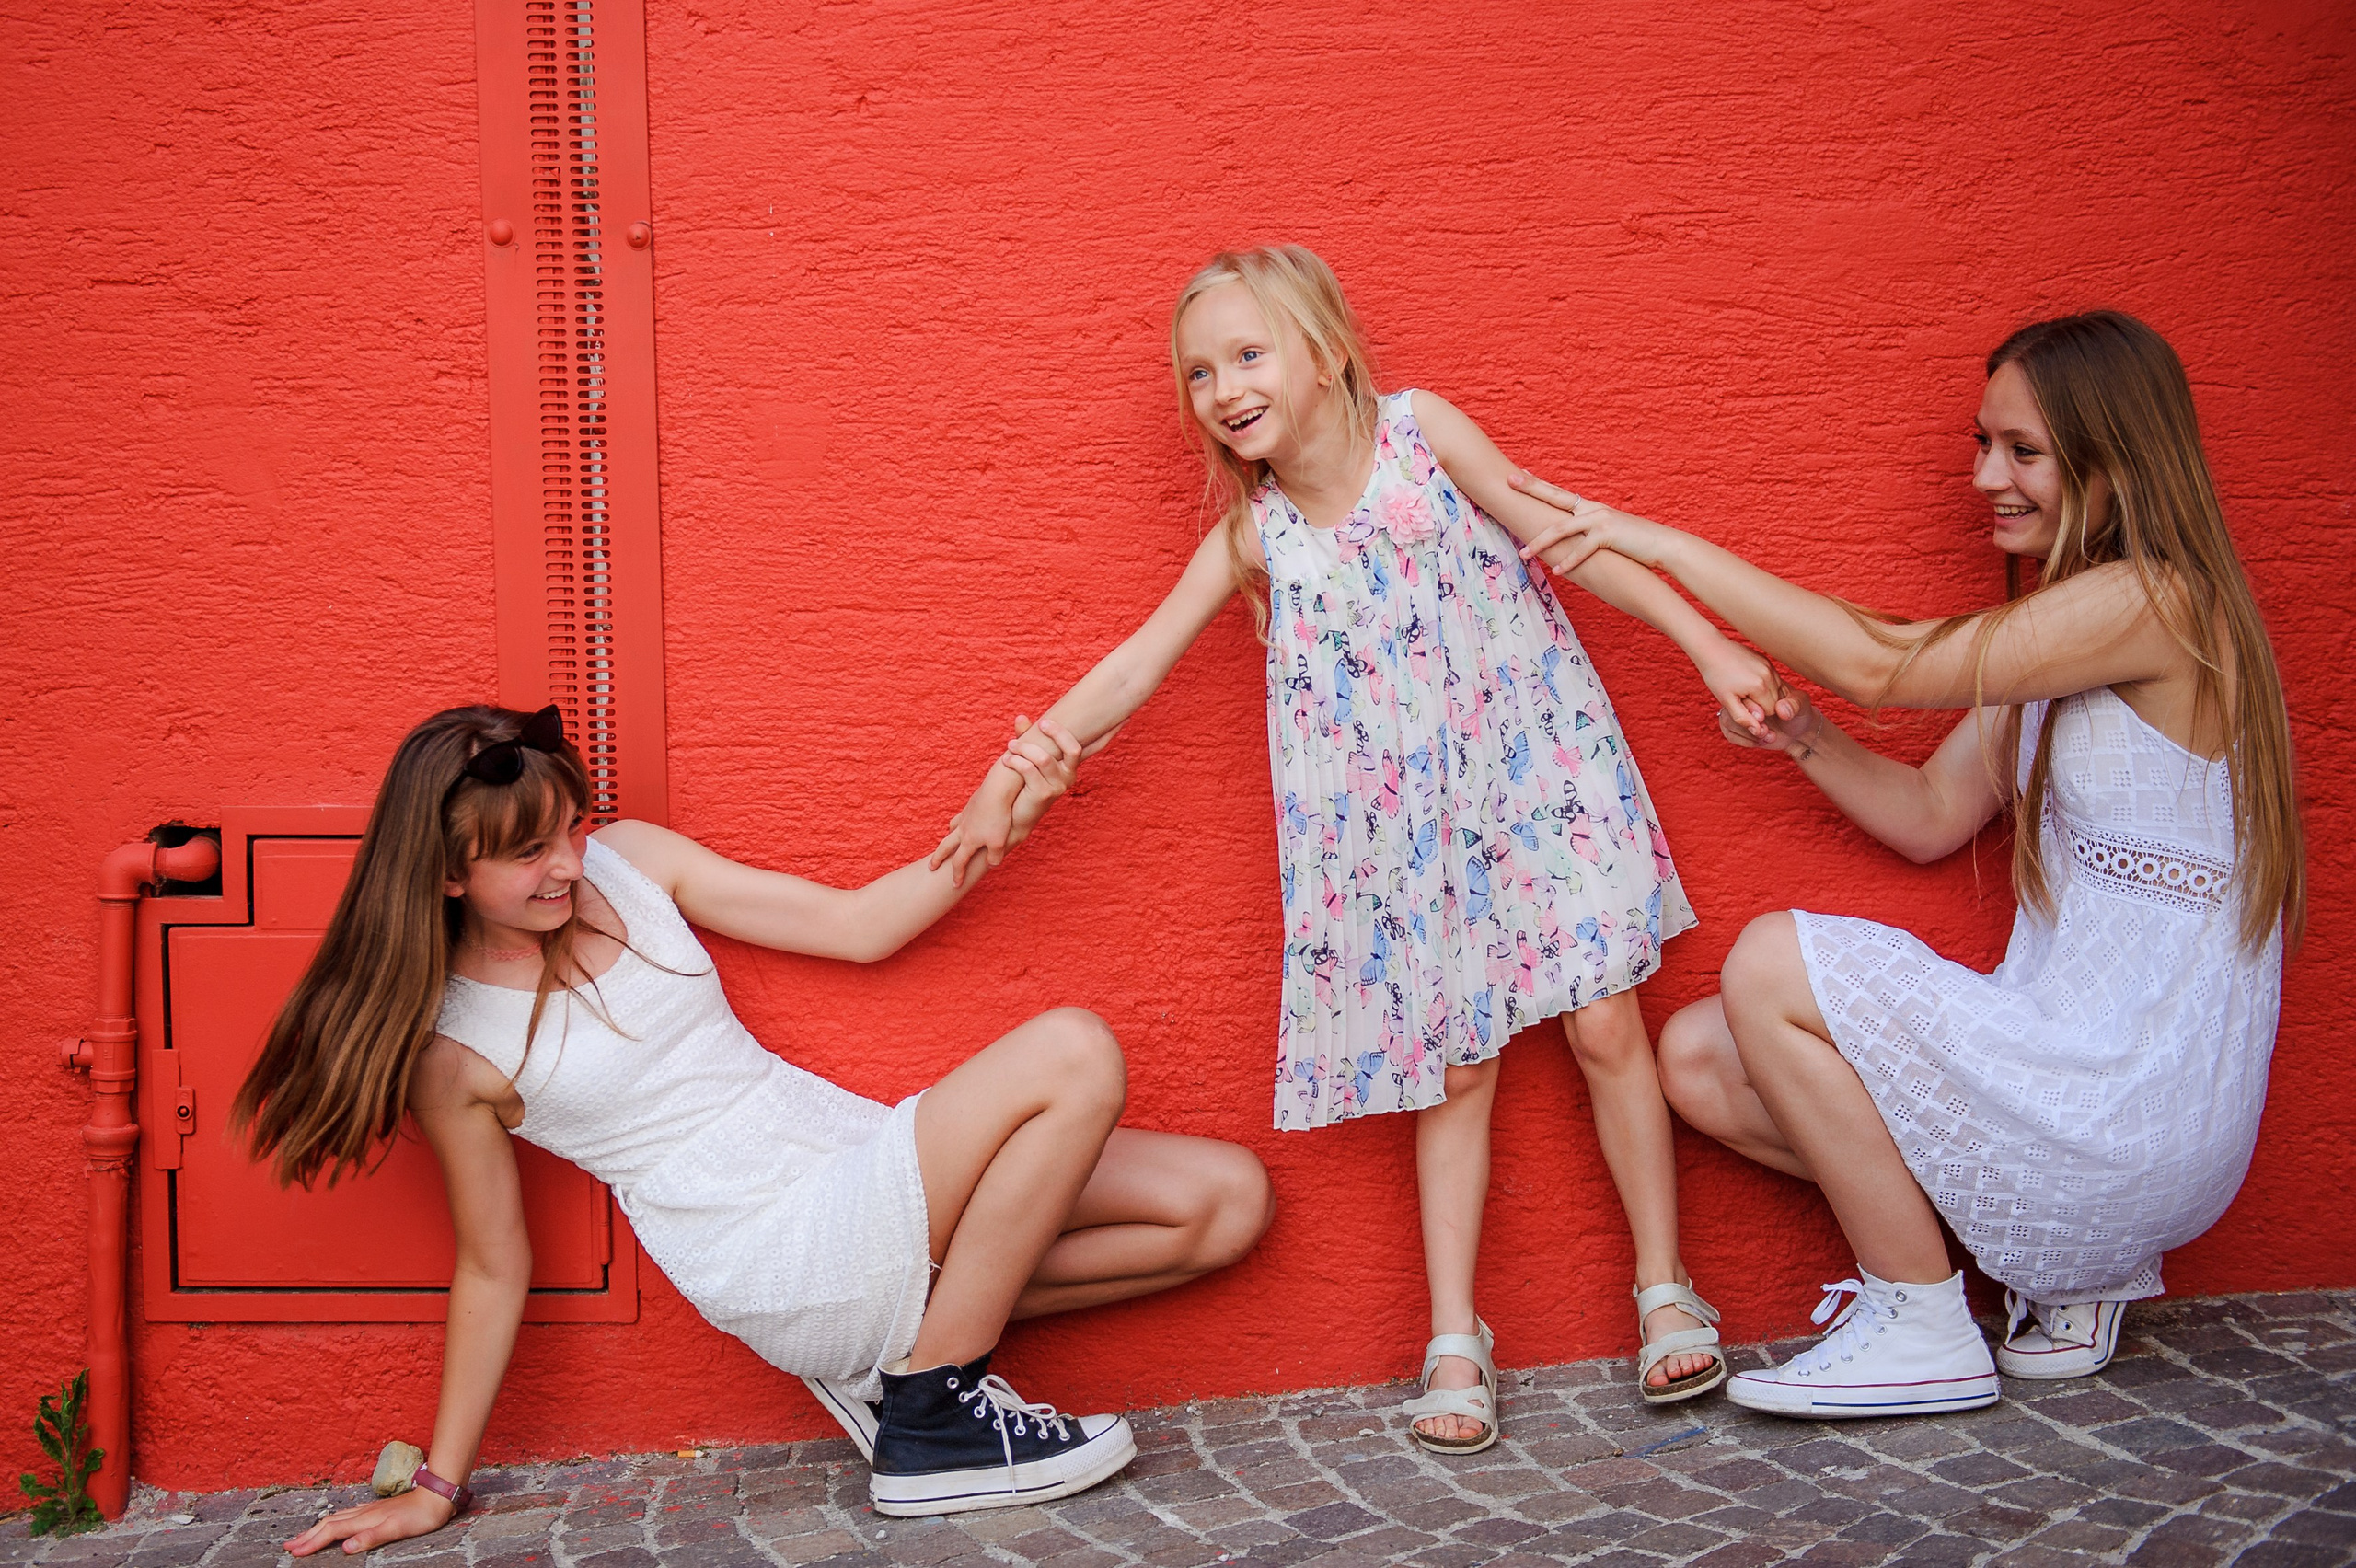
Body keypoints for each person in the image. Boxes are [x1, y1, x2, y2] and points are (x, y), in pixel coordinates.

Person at [932, 246, 1796, 1447]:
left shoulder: (1424, 436)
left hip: (1535, 767)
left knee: (1608, 1022)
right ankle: (1456, 1332)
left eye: (1246, 352)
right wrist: (1013, 774)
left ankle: (1663, 1284)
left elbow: (1566, 539)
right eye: (1198, 371)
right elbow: (1134, 668)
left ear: (1327, 352)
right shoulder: (1258, 540)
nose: (1222, 386)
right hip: (1400, 839)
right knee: (1455, 1068)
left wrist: (1709, 646)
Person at [232, 703, 1274, 1551]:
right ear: (450, 874)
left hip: (841, 1155)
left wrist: (996, 818)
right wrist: (437, 1484)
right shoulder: (457, 1052)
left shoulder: (631, 865)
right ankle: (933, 1418)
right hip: (763, 1247)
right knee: (1073, 1049)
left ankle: (911, 1362)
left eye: (564, 831)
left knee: (1222, 1204)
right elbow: (492, 1268)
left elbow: (857, 926)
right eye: (523, 857)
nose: (563, 867)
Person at [1507, 309, 2302, 1418]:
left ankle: (1920, 1318)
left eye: (2021, 451)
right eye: (1983, 445)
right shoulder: (2067, 629)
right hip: (2078, 1105)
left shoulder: (2158, 601)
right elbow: (1930, 812)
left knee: (1770, 962)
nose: (1986, 477)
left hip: (2132, 1111)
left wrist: (1662, 546)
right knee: (1697, 1056)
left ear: (2117, 460)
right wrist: (1803, 739)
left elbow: (1879, 664)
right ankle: (2056, 1269)